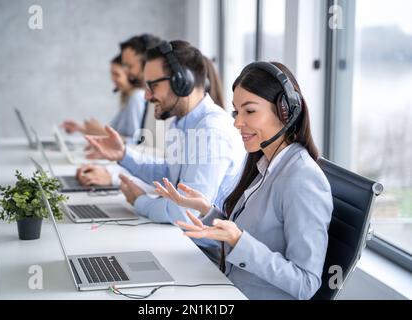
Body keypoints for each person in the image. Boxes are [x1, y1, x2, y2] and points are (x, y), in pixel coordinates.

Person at [153, 61, 333, 300]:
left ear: (285, 111)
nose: (237, 122)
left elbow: (306, 283)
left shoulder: (302, 178)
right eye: (237, 112)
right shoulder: (263, 165)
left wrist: (239, 241)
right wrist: (208, 211)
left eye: (250, 111)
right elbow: (250, 235)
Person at [82, 40, 246, 224]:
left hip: (201, 249)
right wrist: (123, 155)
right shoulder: (181, 122)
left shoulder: (211, 132)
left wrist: (140, 201)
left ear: (182, 82)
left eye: (153, 86)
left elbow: (186, 213)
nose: (147, 96)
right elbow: (170, 173)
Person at [61, 54, 145, 144]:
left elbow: (137, 142)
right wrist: (80, 127)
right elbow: (114, 133)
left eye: (117, 74)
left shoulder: (136, 98)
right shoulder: (128, 99)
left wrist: (100, 131)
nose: (113, 79)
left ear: (130, 76)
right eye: (112, 74)